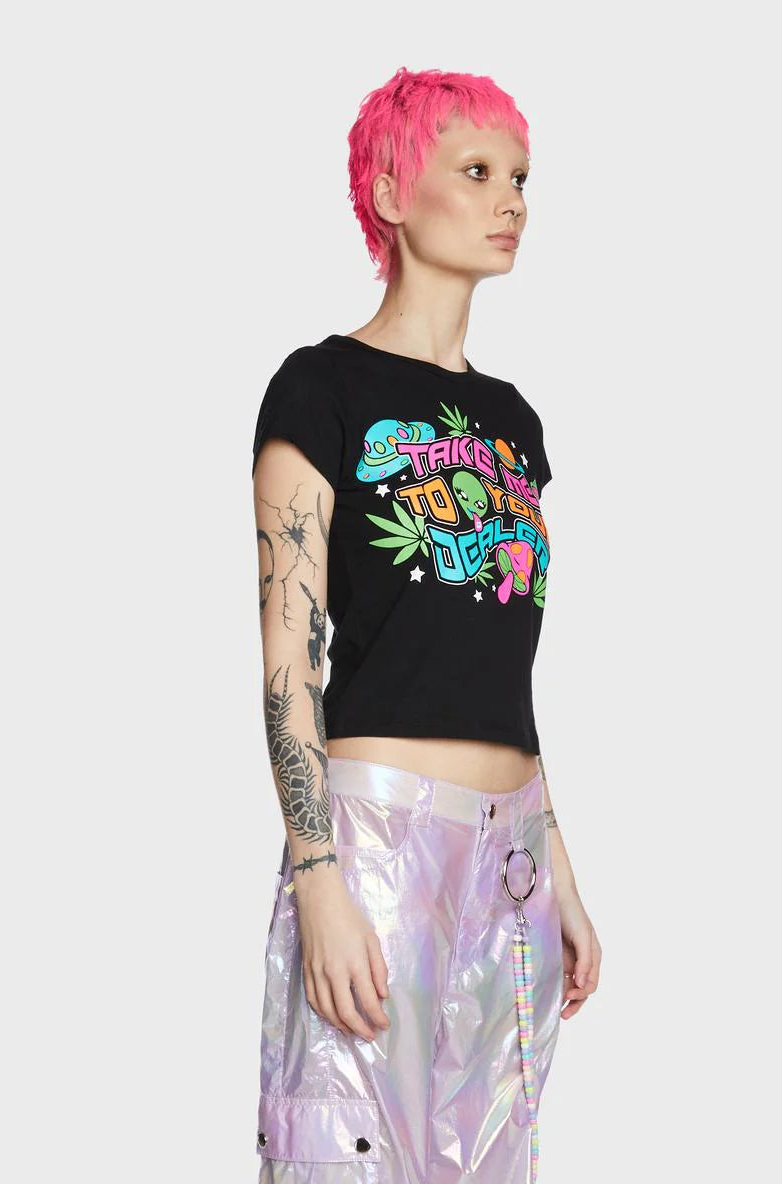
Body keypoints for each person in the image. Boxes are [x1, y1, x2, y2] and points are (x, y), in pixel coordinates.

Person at [250, 66, 601, 1184]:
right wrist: (318, 876)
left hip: (511, 853)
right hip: (377, 842)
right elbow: (289, 663)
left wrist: (560, 870)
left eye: (521, 178)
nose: (511, 200)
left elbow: (495, 670)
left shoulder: (514, 425)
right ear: (393, 193)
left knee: (495, 1165)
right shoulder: (321, 389)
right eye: (479, 171)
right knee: (343, 1153)